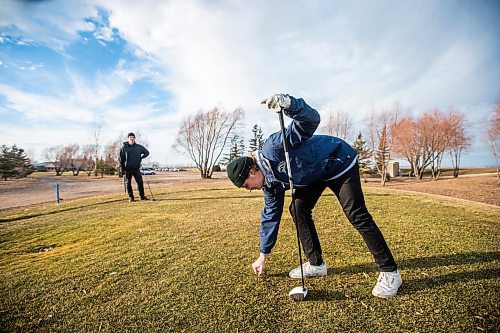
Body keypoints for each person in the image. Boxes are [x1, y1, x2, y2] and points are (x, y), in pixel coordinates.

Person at [226, 94, 402, 298]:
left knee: (356, 214)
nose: (249, 190)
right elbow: (270, 217)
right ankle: (316, 264)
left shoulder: (274, 147)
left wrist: (290, 104)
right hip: (314, 175)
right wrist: (263, 255)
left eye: (247, 185)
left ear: (252, 172)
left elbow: (310, 120)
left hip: (338, 161)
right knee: (298, 209)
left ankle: (390, 272)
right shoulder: (270, 185)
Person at [118, 132, 150, 202]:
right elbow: (121, 159)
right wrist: (122, 169)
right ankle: (131, 197)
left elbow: (147, 152)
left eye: (133, 138)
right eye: (130, 138)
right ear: (128, 138)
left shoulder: (138, 147)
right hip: (127, 169)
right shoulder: (124, 148)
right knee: (128, 184)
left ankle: (142, 197)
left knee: (140, 183)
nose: (132, 139)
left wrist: (141, 158)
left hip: (136, 168)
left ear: (134, 138)